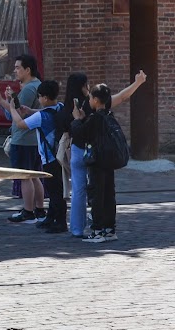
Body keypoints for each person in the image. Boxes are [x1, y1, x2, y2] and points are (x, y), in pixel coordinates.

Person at [59, 70, 146, 237]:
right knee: (106, 192)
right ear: (85, 87)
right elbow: (121, 96)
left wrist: (78, 119)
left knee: (84, 191)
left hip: (83, 151)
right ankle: (107, 227)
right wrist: (138, 83)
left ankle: (81, 228)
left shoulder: (74, 106)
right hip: (103, 154)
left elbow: (78, 131)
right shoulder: (101, 107)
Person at [8, 80, 68, 233]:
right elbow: (43, 113)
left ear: (45, 98)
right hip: (60, 156)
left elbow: (21, 124)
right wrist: (29, 110)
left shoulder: (41, 116)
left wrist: (12, 109)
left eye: (40, 97)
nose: (39, 99)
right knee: (56, 188)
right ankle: (50, 217)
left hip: (48, 157)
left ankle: (60, 222)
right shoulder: (60, 107)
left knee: (55, 192)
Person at [0, 54, 44, 223]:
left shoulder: (30, 88)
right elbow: (15, 110)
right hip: (33, 139)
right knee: (34, 175)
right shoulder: (36, 86)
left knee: (25, 176)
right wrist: (9, 99)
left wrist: (1, 100)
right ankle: (39, 210)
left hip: (24, 138)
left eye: (17, 68)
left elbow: (18, 113)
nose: (14, 71)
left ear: (27, 70)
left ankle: (29, 211)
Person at [71, 84, 121, 242]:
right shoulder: (109, 115)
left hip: (97, 161)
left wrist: (77, 120)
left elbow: (81, 134)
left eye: (91, 97)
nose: (90, 100)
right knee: (109, 195)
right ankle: (109, 229)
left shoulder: (95, 118)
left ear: (96, 100)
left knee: (96, 195)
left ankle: (97, 231)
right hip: (109, 160)